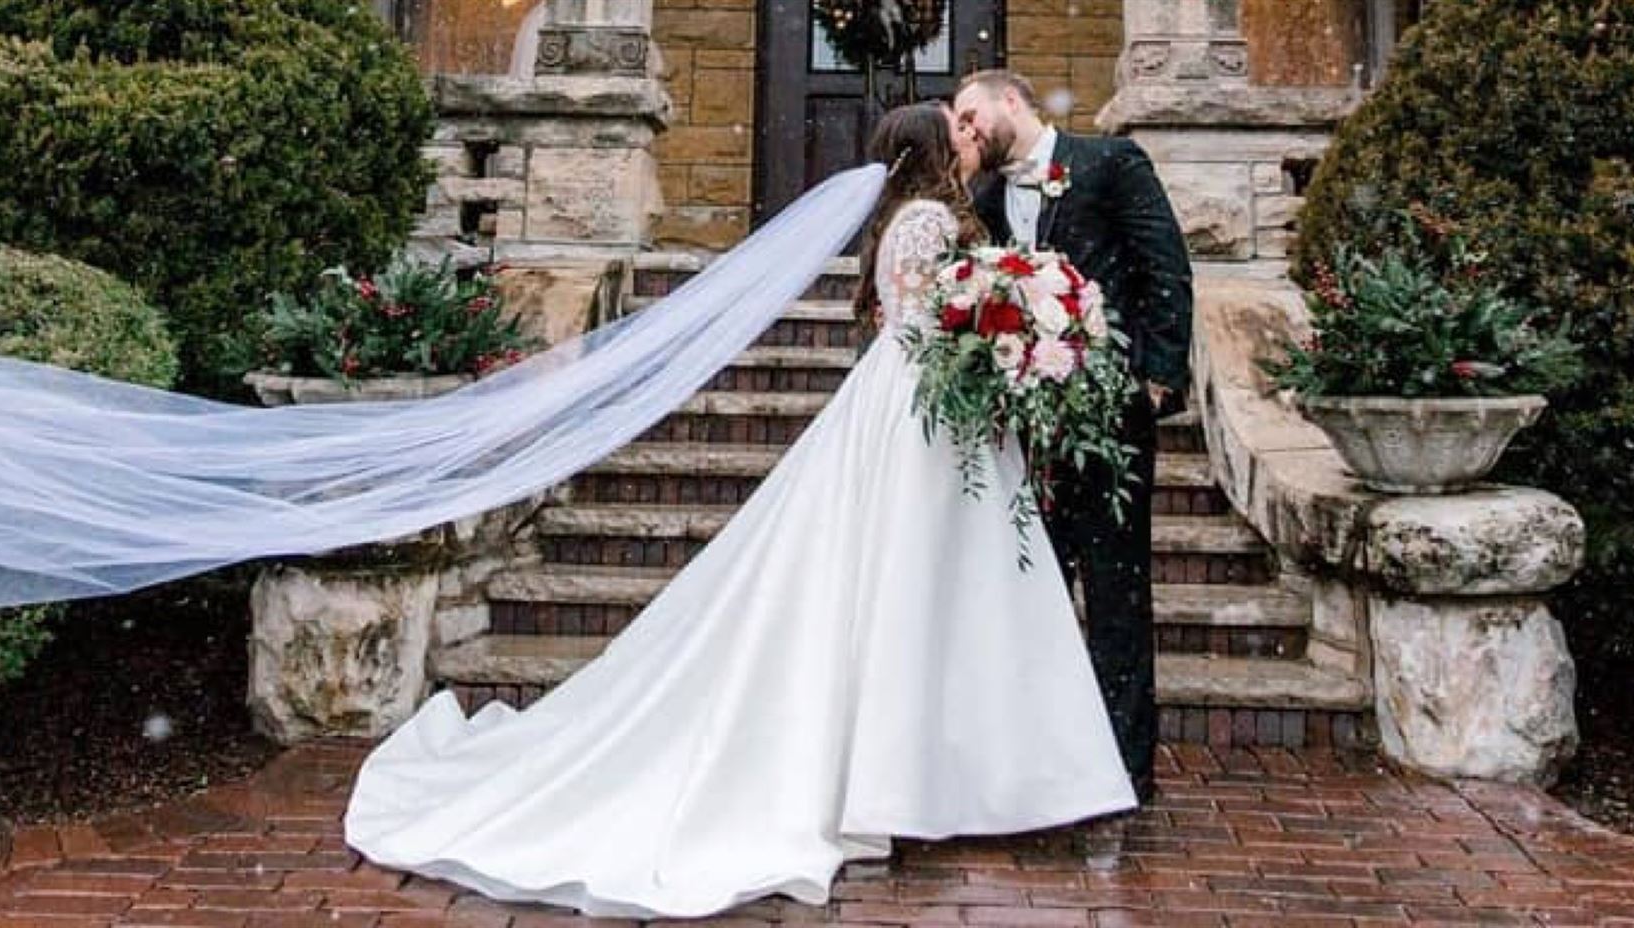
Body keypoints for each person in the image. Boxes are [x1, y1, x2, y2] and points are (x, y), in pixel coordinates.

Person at [337, 101, 1138, 919]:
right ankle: (930, 781)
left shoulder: (920, 213)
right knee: (920, 584)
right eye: (957, 127)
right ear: (933, 149)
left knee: (924, 586)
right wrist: (1010, 328)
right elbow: (930, 322)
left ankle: (927, 777)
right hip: (916, 415)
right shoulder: (930, 218)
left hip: (922, 408)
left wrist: (1014, 328)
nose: (971, 135)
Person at [954, 69, 1194, 802]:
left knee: (1117, 591)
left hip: (1111, 414)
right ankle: (1049, 751)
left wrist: (1156, 378)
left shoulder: (1108, 163)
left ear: (1011, 101)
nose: (964, 133)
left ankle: (1127, 764)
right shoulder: (990, 196)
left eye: (969, 117)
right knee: (1038, 587)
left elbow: (1166, 267)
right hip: (1033, 423)